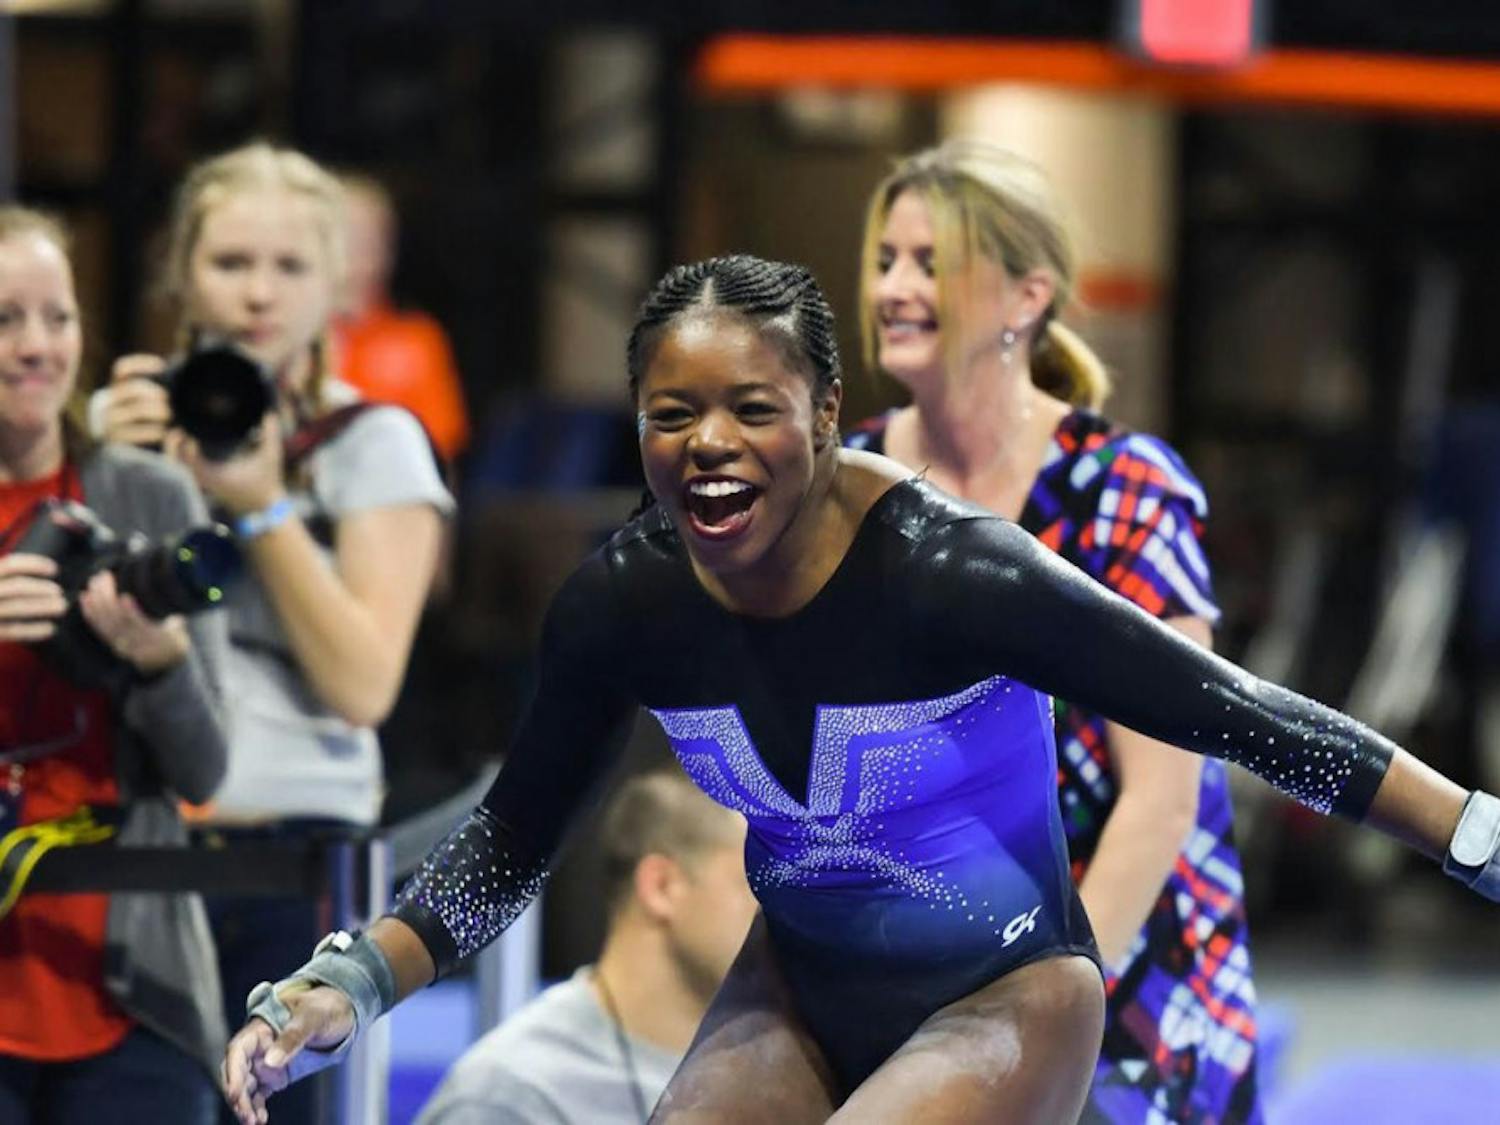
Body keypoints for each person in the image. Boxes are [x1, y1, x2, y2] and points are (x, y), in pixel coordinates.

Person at [222, 254, 1490, 1125]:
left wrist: (1474, 834)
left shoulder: (954, 574)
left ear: (827, 412)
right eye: (672, 414)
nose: (710, 447)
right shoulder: (623, 604)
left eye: (752, 409)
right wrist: (353, 985)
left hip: (1008, 993)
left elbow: (1238, 713)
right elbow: (514, 836)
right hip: (794, 990)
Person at [844, 140, 1258, 1121]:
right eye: (887, 260)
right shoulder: (844, 488)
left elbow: (1161, 799)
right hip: (919, 952)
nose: (893, 288)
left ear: (1027, 298)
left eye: (931, 262)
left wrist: (1048, 1015)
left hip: (1129, 954)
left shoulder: (1126, 491)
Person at [92, 142, 453, 1125]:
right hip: (132, 847)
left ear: (335, 283)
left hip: (296, 855)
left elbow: (364, 686)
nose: (259, 293)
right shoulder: (121, 428)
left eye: (289, 266)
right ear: (180, 273)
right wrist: (115, 472)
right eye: (230, 262)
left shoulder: (372, 441)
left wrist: (262, 506)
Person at [0, 207, 229, 1122]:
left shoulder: (149, 495)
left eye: (58, 317)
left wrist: (163, 663)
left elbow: (206, 769)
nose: (37, 346)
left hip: (135, 995)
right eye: (6, 320)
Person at [416, 769, 756, 1125]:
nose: (780, 918)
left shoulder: (770, 1077)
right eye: (756, 885)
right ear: (662, 887)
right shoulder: (514, 1096)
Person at [333, 172, 470, 464]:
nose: (359, 253)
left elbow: (440, 446)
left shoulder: (418, 338)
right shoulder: (294, 338)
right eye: (346, 236)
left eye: (371, 238)